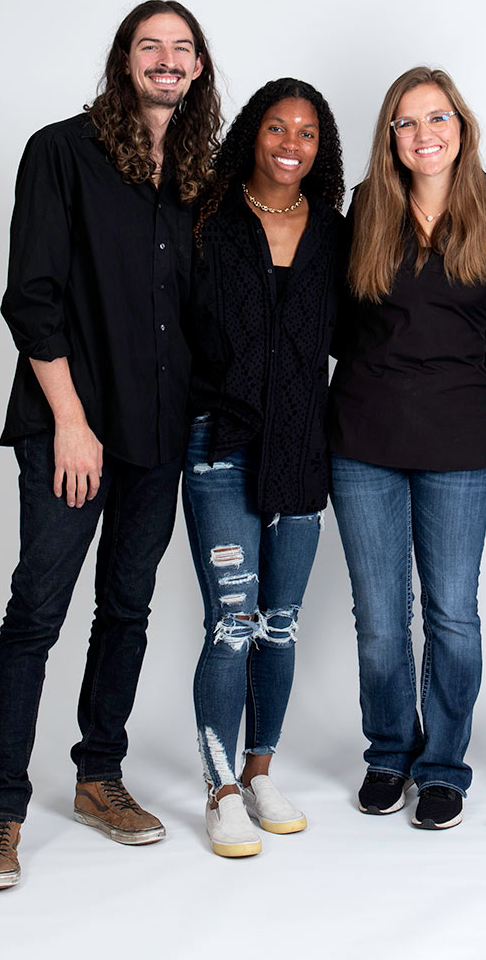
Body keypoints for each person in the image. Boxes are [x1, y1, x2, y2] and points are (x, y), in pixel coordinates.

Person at [0, 0, 221, 890]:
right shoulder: (60, 152)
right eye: (151, 44)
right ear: (123, 60)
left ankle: (99, 777)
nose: (167, 59)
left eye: (182, 48)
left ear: (197, 70)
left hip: (161, 432)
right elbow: (30, 296)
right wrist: (72, 421)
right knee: (36, 612)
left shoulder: (197, 174)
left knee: (128, 609)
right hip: (73, 426)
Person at [329, 67, 486, 830]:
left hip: (462, 439)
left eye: (437, 117)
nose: (424, 133)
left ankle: (443, 764)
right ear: (391, 137)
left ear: (461, 125)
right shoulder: (368, 204)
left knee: (453, 615)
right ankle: (389, 752)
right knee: (379, 617)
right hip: (364, 436)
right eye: (407, 123)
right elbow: (337, 319)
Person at [184, 78, 345, 857]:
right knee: (232, 622)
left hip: (302, 448)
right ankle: (218, 790)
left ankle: (259, 770)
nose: (291, 142)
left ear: (322, 147)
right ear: (253, 133)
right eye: (277, 127)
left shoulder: (334, 233)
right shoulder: (208, 219)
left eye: (307, 131)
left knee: (278, 625)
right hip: (219, 444)